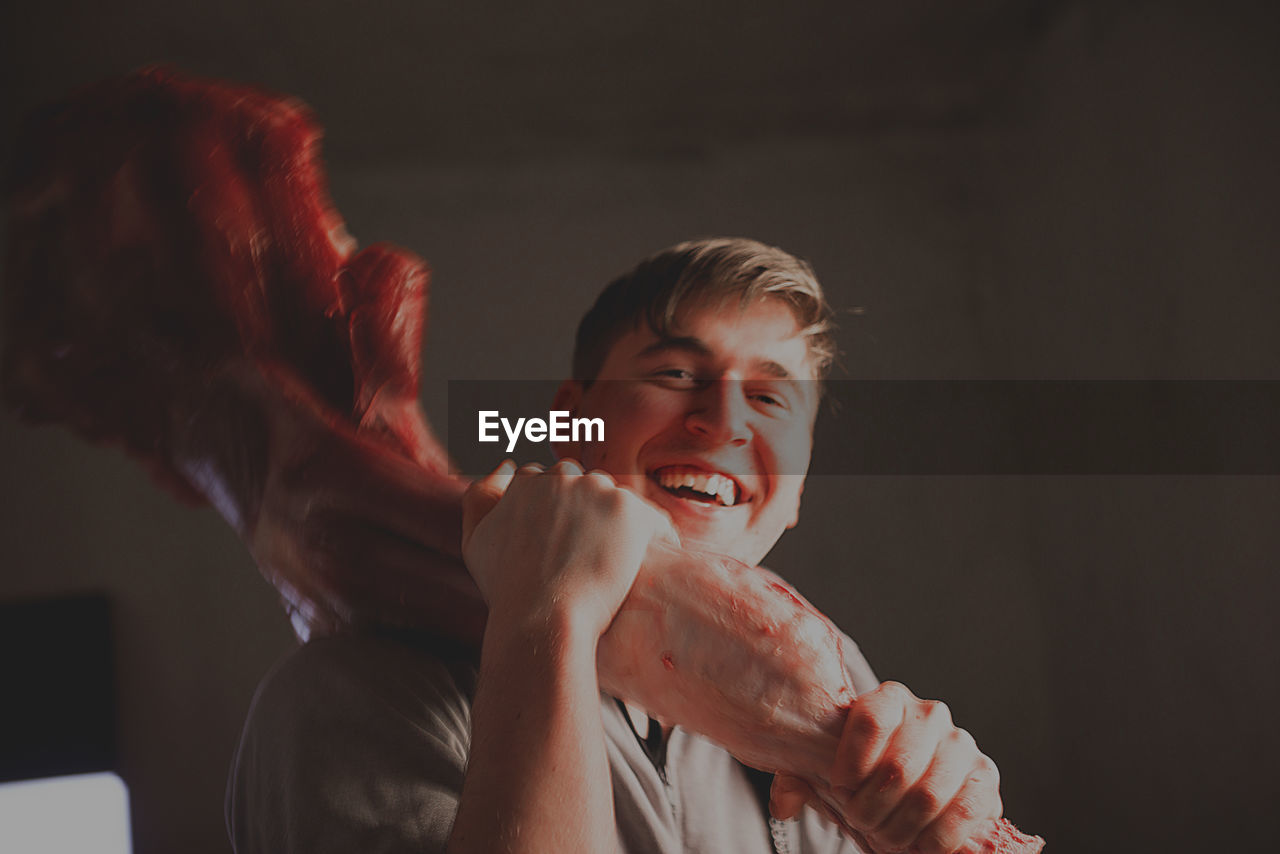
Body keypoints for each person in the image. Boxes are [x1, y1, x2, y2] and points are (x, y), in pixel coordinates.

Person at [226, 238, 1004, 854]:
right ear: (573, 422)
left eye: (771, 397)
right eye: (674, 371)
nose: (726, 420)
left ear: (796, 489)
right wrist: (548, 616)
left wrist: (936, 828)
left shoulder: (848, 701)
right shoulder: (354, 692)